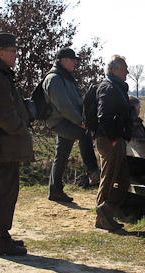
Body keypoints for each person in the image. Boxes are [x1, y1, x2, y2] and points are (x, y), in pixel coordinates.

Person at [0, 33, 33, 256]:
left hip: (0, 143)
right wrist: (22, 128)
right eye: (13, 51)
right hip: (5, 144)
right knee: (3, 191)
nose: (17, 55)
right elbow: (5, 116)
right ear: (1, 53)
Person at [44, 47, 100, 203]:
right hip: (60, 122)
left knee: (61, 156)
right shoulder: (54, 78)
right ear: (63, 60)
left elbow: (75, 101)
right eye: (73, 59)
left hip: (66, 120)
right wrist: (80, 122)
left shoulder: (65, 77)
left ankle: (55, 190)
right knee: (83, 134)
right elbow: (64, 105)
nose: (75, 62)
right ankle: (93, 171)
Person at [95, 55, 132, 231]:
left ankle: (105, 213)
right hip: (110, 141)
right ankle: (102, 217)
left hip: (114, 140)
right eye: (125, 68)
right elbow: (104, 116)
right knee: (108, 179)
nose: (128, 72)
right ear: (115, 70)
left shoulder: (116, 87)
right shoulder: (109, 88)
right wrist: (114, 138)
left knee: (122, 180)